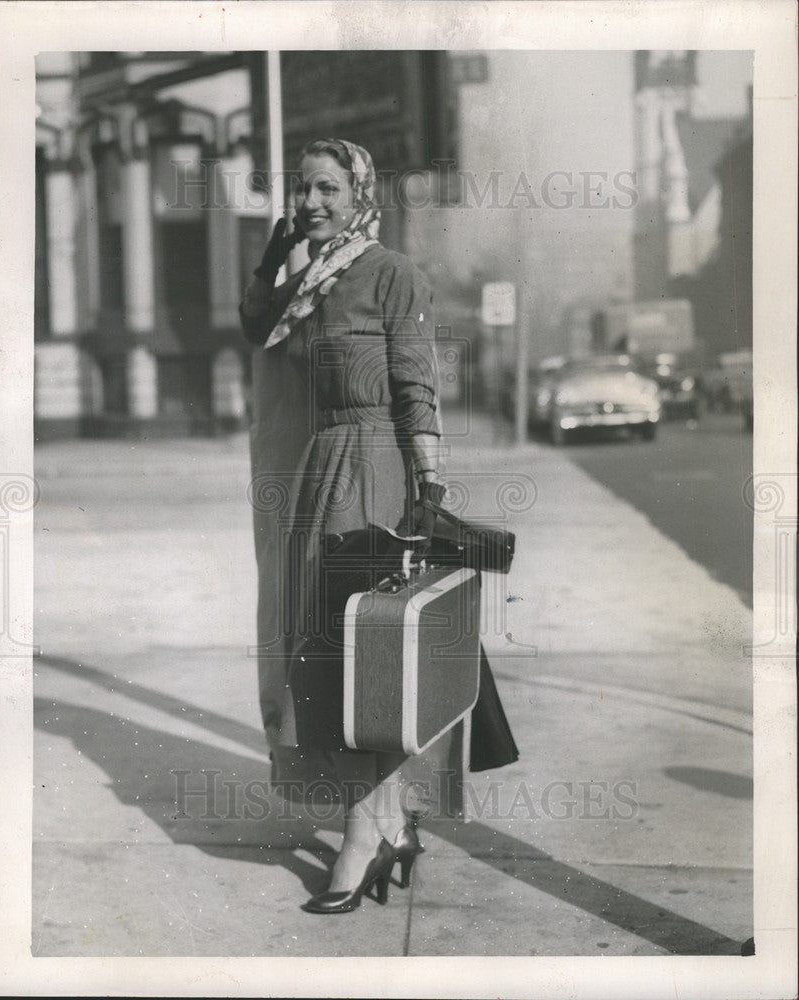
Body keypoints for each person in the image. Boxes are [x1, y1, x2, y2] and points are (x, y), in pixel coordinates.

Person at [241, 138, 516, 914]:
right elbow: (254, 323)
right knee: (328, 655)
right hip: (316, 475)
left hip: (373, 475)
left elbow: (415, 386)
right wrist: (279, 247)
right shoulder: (311, 281)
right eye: (303, 190)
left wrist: (426, 483)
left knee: (361, 661)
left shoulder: (393, 274)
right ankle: (389, 827)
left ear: (360, 191)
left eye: (327, 188)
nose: (313, 202)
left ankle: (364, 838)